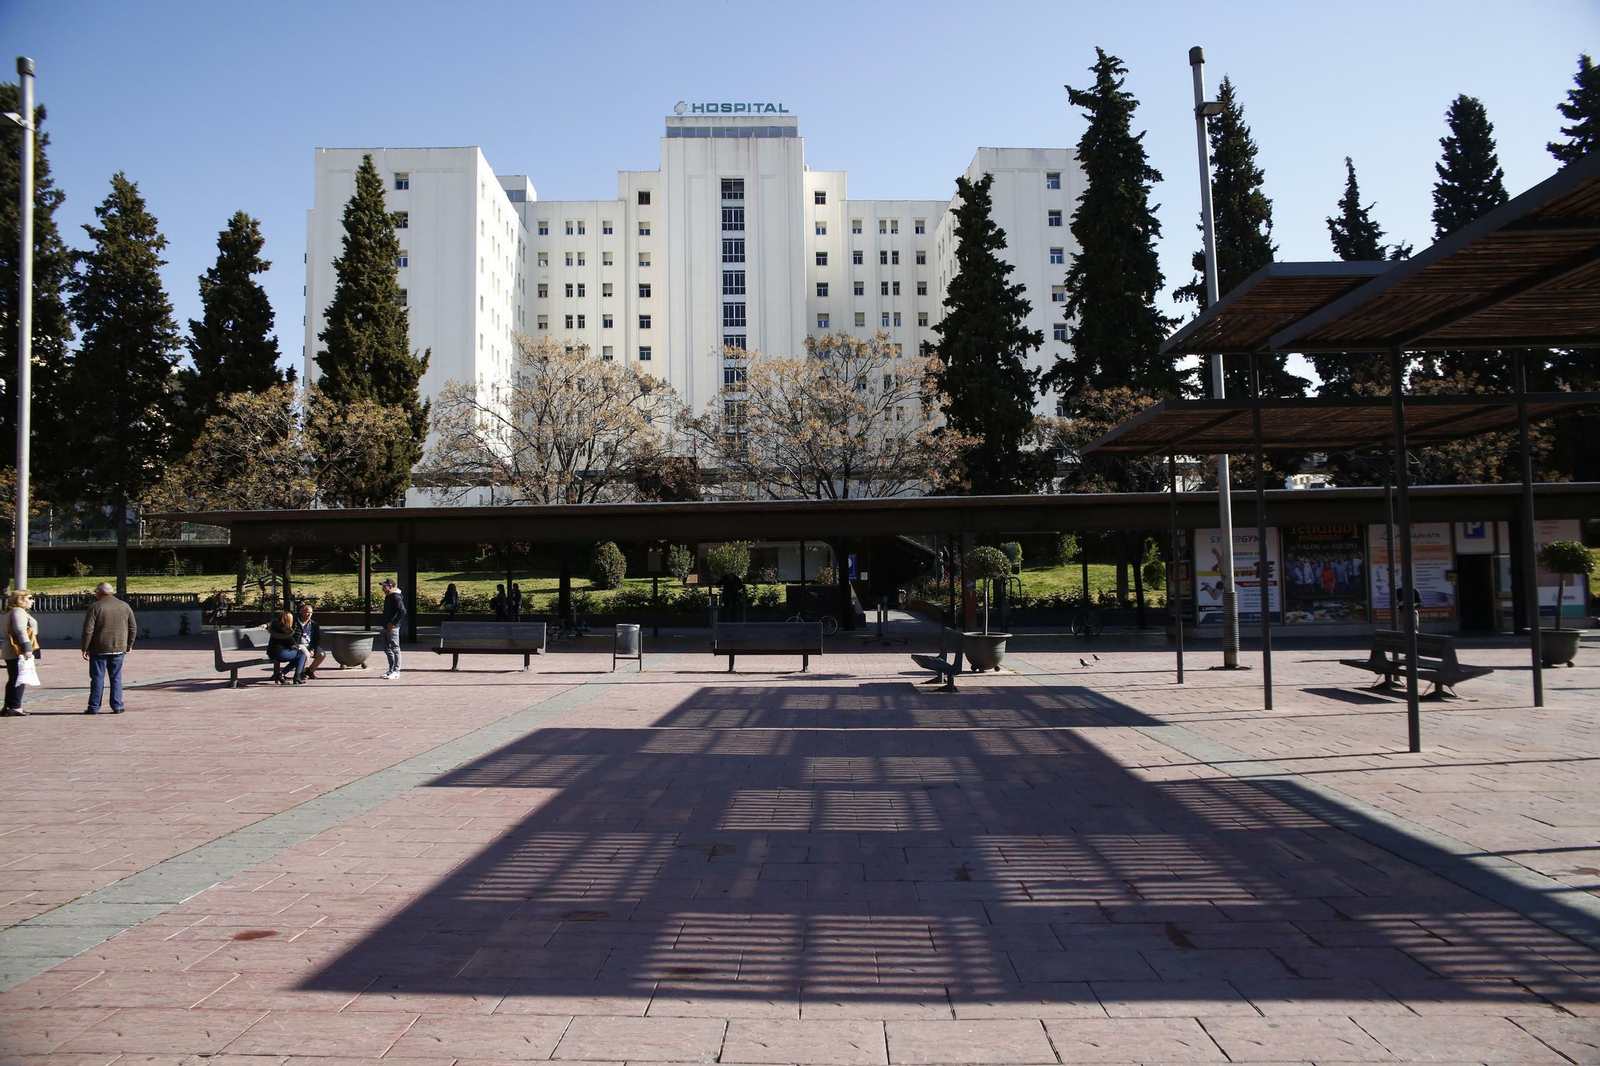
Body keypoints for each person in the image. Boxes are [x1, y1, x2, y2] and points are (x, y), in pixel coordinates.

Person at [82, 582, 137, 714]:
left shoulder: (95, 607)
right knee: (116, 677)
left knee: (97, 678)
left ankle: (94, 707)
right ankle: (117, 706)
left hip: (99, 648)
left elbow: (88, 630)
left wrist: (85, 647)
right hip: (119, 647)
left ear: (100, 593)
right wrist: (129, 644)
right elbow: (132, 627)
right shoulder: (124, 606)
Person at [3, 589, 40, 717]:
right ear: (20, 599)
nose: (32, 601)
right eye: (29, 598)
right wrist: (27, 648)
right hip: (17, 651)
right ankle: (15, 706)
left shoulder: (14, 612)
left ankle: (8, 706)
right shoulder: (18, 612)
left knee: (14, 677)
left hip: (12, 651)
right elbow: (20, 631)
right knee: (20, 678)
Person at [266, 609, 308, 684]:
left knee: (297, 659)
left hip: (271, 652)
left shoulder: (275, 626)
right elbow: (291, 644)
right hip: (280, 653)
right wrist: (299, 647)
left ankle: (281, 675)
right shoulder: (286, 630)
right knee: (301, 654)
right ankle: (296, 677)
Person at [379, 577, 406, 679]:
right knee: (387, 649)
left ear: (390, 587)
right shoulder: (388, 596)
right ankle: (391, 669)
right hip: (386, 626)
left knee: (395, 648)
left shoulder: (396, 597)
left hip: (393, 628)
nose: (383, 588)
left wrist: (394, 623)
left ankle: (396, 671)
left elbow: (402, 611)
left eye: (384, 586)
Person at [298, 603, 326, 680]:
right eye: (307, 612)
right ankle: (301, 672)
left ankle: (310, 671)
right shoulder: (296, 623)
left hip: (309, 644)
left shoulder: (314, 625)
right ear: (302, 612)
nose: (309, 614)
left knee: (322, 654)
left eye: (311, 613)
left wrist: (312, 649)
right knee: (306, 655)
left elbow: (316, 639)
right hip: (300, 644)